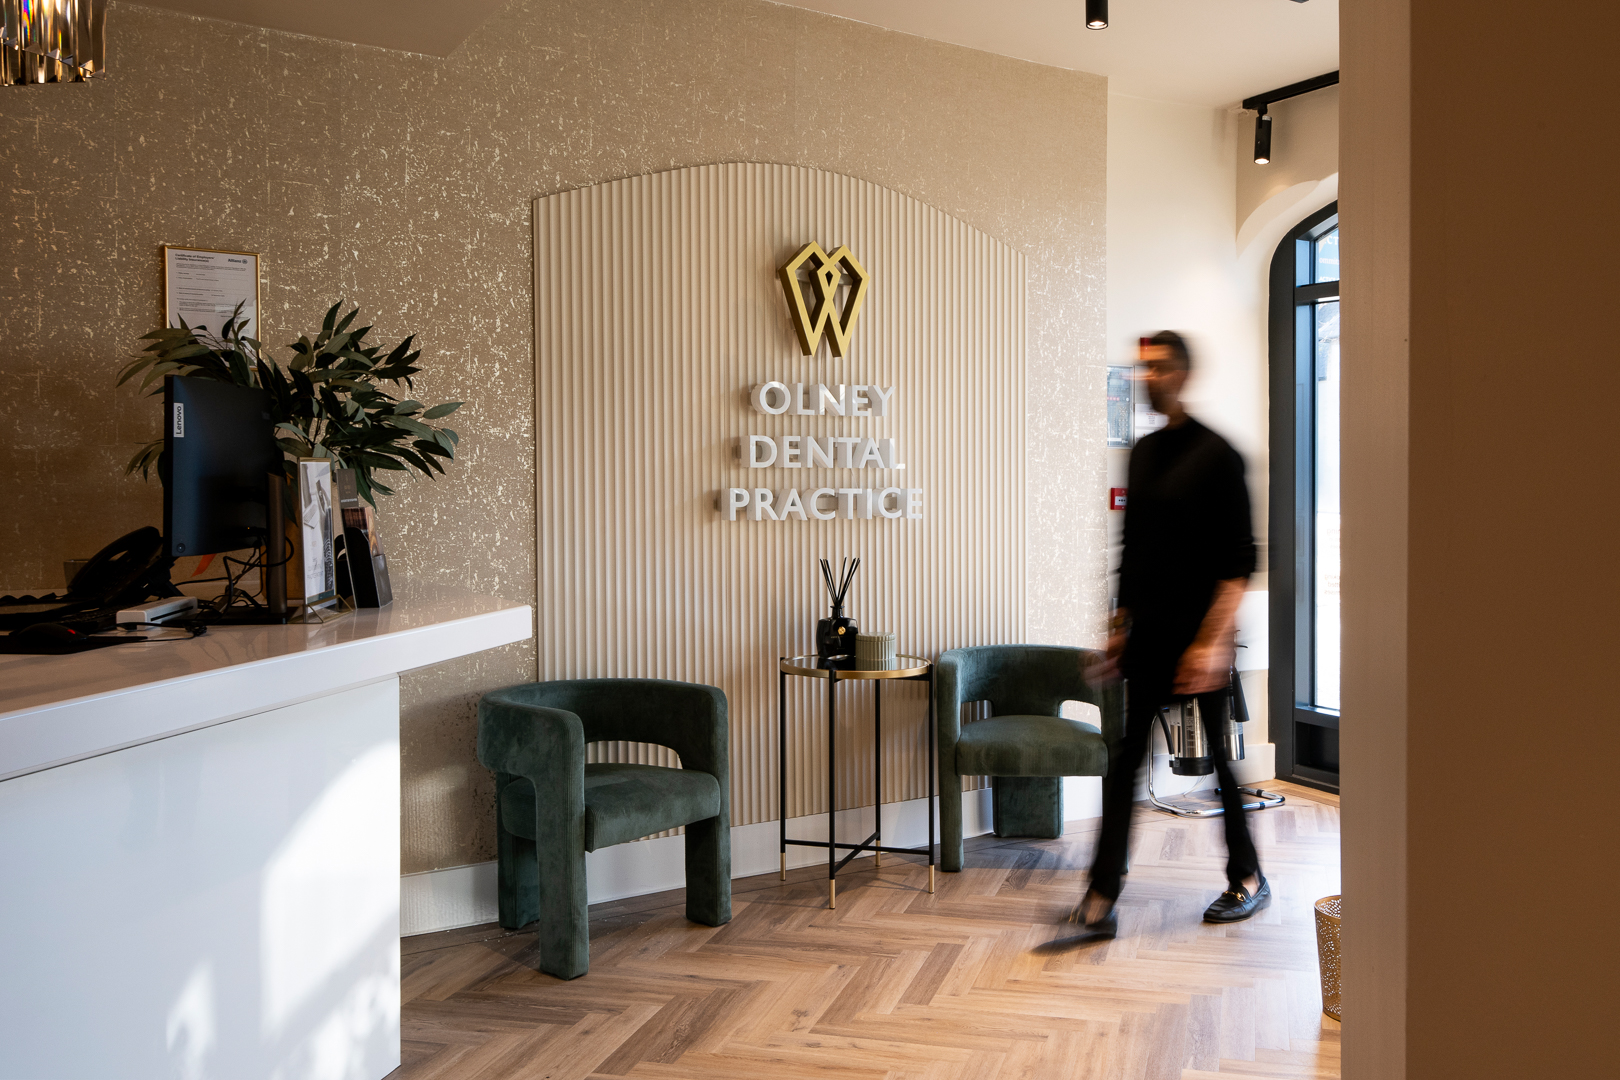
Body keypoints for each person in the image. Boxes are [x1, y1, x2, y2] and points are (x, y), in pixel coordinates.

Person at [1077, 331, 1265, 936]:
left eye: (1157, 368)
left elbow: (1239, 562)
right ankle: (1103, 890)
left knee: (1217, 764)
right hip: (1148, 641)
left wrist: (1211, 644)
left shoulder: (1219, 455)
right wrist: (1115, 630)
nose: (1147, 378)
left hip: (1197, 641)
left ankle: (1248, 877)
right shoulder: (1145, 453)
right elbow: (1132, 551)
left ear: (1182, 374)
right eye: (1142, 369)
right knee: (1124, 761)